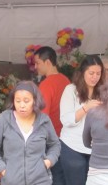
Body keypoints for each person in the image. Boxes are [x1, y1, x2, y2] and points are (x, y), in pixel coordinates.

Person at [0, 81, 61, 185]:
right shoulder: (5, 118)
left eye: (26, 101)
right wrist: (3, 169)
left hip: (40, 180)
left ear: (35, 101)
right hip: (11, 181)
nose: (22, 105)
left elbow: (55, 145)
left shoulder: (44, 120)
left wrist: (47, 162)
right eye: (18, 101)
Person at [59, 55, 104, 185]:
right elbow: (66, 120)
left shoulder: (104, 92)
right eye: (91, 73)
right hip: (72, 146)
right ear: (82, 72)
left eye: (98, 73)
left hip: (97, 148)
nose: (94, 77)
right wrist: (86, 108)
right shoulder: (71, 90)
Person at [34, 46, 70, 185]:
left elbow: (42, 116)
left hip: (52, 139)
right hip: (66, 136)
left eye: (38, 63)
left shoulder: (46, 84)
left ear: (48, 62)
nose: (36, 67)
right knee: (62, 175)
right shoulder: (66, 80)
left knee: (54, 177)